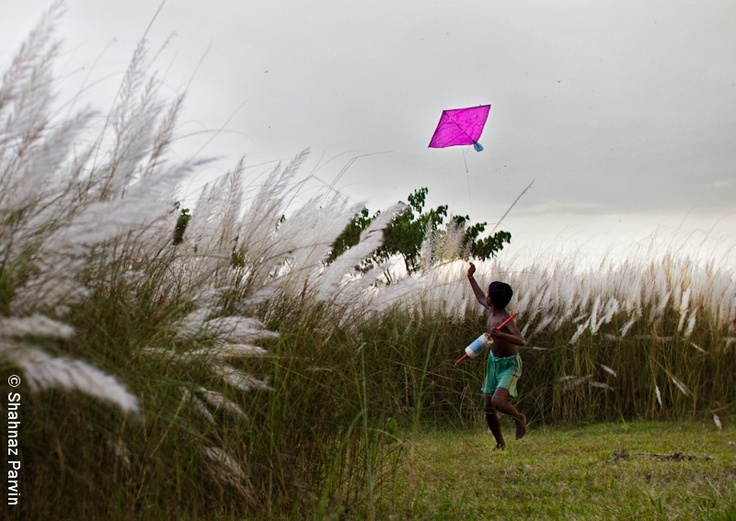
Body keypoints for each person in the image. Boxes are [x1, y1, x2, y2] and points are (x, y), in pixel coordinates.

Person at [467, 262, 527, 449]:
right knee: (488, 408)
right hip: (494, 363)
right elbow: (478, 296)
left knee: (497, 401)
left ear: (492, 299)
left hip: (510, 365)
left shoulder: (504, 318)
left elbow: (521, 340)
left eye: (488, 294)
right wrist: (470, 277)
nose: (485, 296)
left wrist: (502, 335)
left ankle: (519, 417)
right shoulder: (491, 310)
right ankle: (500, 443)